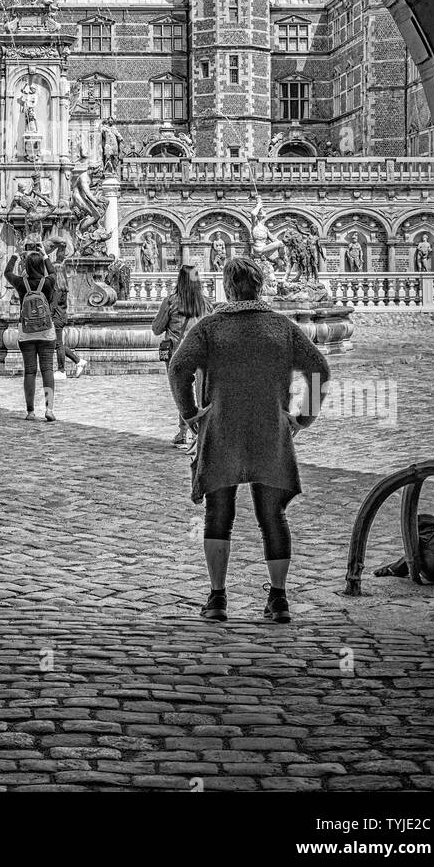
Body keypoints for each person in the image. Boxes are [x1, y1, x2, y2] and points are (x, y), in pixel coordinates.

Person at [169, 256, 331, 625]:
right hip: (269, 431)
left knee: (218, 515)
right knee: (272, 516)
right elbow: (320, 369)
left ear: (228, 287)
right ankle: (278, 599)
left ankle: (217, 599)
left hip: (221, 428)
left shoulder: (211, 328)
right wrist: (303, 418)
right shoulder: (281, 327)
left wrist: (192, 412)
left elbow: (180, 367)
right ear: (260, 286)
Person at [151, 265, 210, 448]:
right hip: (201, 352)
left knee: (182, 393)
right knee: (201, 393)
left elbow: (156, 328)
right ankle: (200, 433)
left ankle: (184, 432)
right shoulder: (205, 303)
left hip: (178, 353)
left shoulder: (171, 302)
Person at [4, 244, 58, 421]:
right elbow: (53, 272)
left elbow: (7, 273)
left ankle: (30, 411)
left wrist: (15, 256)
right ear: (41, 266)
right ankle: (49, 409)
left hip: (26, 333)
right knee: (47, 370)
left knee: (29, 372)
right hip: (46, 332)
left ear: (26, 266)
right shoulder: (48, 281)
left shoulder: (21, 283)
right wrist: (45, 256)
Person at [49, 241, 87, 380]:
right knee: (57, 344)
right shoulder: (63, 287)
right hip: (61, 317)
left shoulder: (56, 289)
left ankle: (62, 370)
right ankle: (78, 361)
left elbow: (52, 306)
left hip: (56, 319)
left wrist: (47, 318)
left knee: (58, 344)